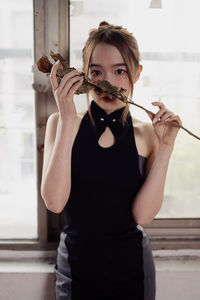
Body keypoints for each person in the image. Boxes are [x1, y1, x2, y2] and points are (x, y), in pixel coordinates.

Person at [41, 21, 182, 300]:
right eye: (97, 71)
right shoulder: (60, 123)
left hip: (132, 271)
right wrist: (69, 118)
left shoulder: (149, 134)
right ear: (83, 76)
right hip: (75, 271)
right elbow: (55, 202)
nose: (109, 83)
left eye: (120, 71)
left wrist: (166, 147)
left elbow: (143, 216)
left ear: (136, 73)